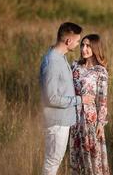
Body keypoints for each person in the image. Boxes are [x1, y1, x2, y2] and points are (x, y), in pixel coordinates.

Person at [39, 22, 92, 175]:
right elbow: (52, 98)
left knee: (54, 161)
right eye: (77, 41)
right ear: (68, 41)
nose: (78, 44)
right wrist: (79, 100)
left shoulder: (60, 58)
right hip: (56, 122)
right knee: (52, 162)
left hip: (62, 121)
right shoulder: (53, 62)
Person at [70, 34, 110, 175]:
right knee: (77, 159)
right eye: (82, 45)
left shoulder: (100, 71)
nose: (84, 49)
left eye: (88, 46)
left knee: (93, 159)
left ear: (95, 48)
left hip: (90, 120)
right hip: (75, 120)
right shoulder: (75, 66)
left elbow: (102, 100)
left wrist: (100, 123)